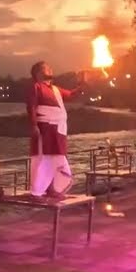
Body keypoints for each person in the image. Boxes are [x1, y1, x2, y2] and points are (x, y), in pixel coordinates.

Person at [26, 61, 86, 200]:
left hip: (58, 129)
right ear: (38, 73)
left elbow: (71, 95)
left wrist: (83, 84)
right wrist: (34, 125)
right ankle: (37, 191)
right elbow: (31, 107)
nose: (50, 69)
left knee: (56, 158)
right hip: (45, 128)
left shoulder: (56, 89)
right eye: (46, 68)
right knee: (45, 159)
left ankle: (53, 188)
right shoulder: (36, 87)